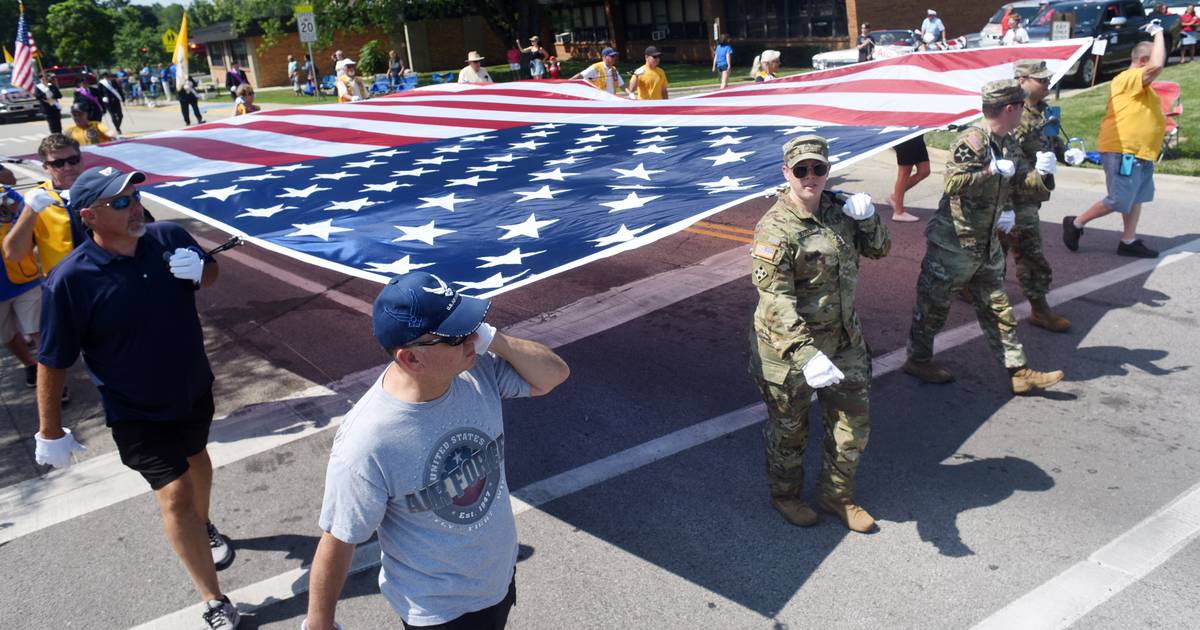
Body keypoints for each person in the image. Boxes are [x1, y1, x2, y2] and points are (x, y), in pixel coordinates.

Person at [303, 271, 570, 630]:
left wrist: (499, 341)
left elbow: (553, 376)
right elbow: (339, 538)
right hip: (438, 612)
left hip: (498, 581)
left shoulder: (476, 370)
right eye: (457, 335)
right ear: (412, 359)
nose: (473, 339)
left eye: (474, 326)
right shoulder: (366, 443)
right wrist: (319, 624)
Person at [33, 165, 238, 630]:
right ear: (89, 216)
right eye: (120, 203)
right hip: (135, 410)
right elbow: (53, 359)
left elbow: (212, 275)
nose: (135, 209)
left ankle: (202, 526)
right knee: (176, 493)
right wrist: (49, 429)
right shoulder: (70, 280)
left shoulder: (168, 236)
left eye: (136, 198)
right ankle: (214, 598)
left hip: (192, 388)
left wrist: (203, 269)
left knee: (199, 461)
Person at [750, 134, 890, 533]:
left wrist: (869, 220)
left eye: (818, 169)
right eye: (801, 170)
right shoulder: (775, 228)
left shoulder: (840, 210)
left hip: (844, 339)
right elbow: (774, 299)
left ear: (828, 171)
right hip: (791, 349)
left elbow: (880, 250)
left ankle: (836, 494)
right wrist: (806, 353)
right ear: (786, 173)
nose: (810, 177)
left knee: (853, 423)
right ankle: (786, 495)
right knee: (789, 430)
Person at [904, 79, 1064, 394]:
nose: (1023, 112)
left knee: (998, 306)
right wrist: (989, 172)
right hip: (954, 243)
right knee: (933, 307)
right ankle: (917, 360)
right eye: (1020, 107)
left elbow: (1020, 183)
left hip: (987, 242)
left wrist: (1043, 174)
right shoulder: (973, 140)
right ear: (1010, 108)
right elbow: (952, 183)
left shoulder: (1007, 143)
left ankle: (1019, 371)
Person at [1063, 26, 1166, 259]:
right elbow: (1157, 64)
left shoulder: (1142, 87)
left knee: (1136, 197)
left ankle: (1128, 241)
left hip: (1140, 153)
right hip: (1124, 151)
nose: (1158, 68)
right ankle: (1076, 223)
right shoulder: (1127, 78)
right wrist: (1159, 32)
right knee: (1119, 199)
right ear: (1142, 60)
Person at [1006, 59, 1070, 332]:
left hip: (1033, 194)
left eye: (1047, 80)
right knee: (1030, 253)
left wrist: (1066, 152)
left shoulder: (1045, 111)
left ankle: (966, 286)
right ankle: (1039, 308)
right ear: (1022, 81)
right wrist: (1005, 205)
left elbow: (1052, 142)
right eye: (1041, 80)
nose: (1047, 84)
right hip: (1015, 197)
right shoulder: (1011, 114)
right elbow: (1004, 160)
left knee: (993, 251)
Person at [0, 180, 42, 388]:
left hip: (24, 276)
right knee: (7, 335)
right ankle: (29, 363)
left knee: (38, 331)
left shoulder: (5, 193)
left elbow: (28, 218)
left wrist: (14, 209)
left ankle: (50, 377)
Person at [889, 136, 929, 222]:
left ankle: (895, 197)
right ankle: (898, 212)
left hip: (917, 135)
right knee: (905, 171)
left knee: (924, 170)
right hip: (905, 136)